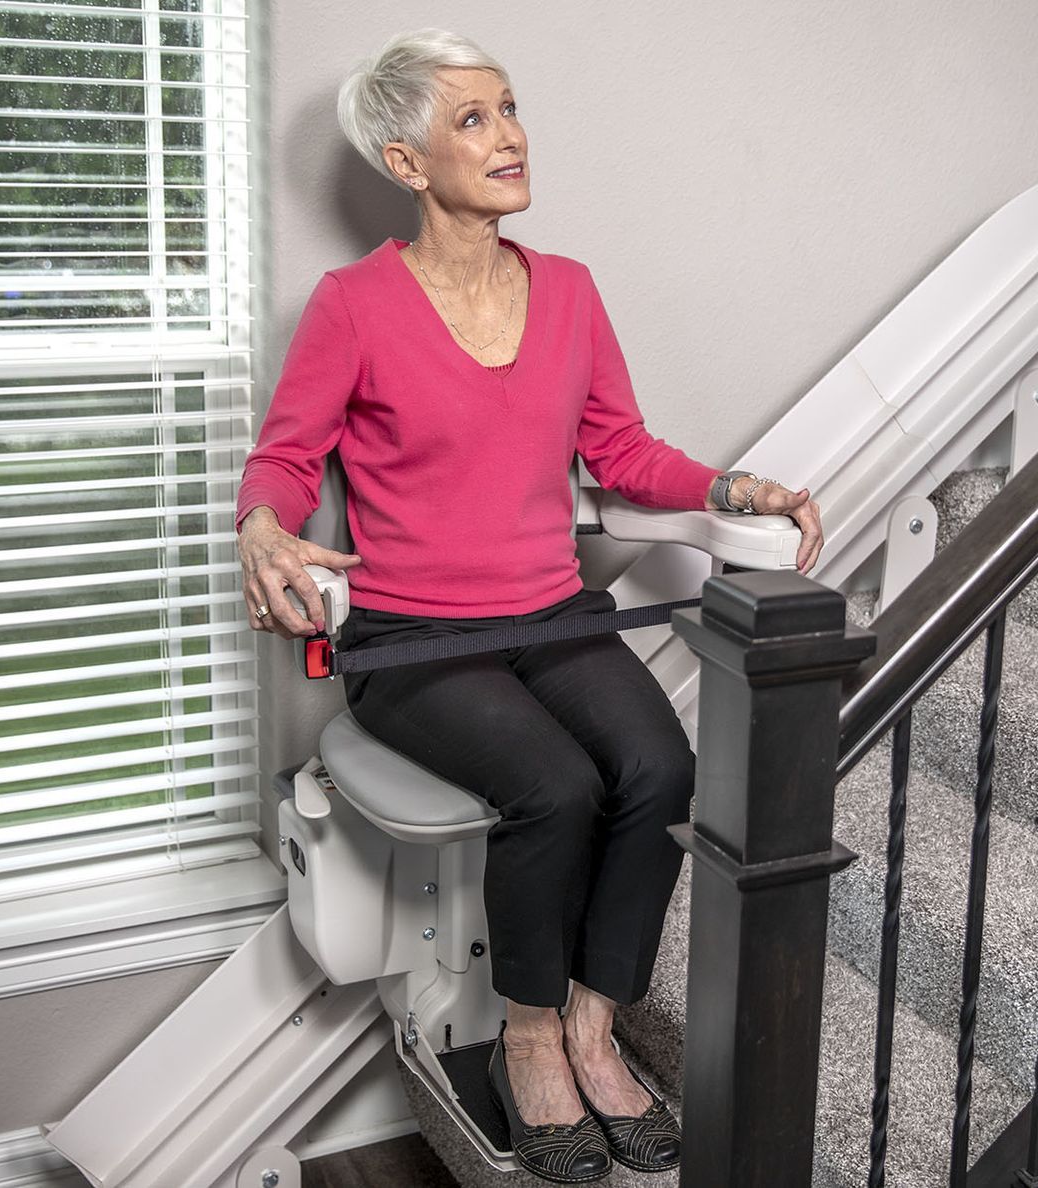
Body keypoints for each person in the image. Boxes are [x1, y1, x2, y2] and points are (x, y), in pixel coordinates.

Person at [233, 28, 826, 1183]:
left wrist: (728, 486)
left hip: (550, 612)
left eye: (510, 110)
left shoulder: (569, 292)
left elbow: (620, 448)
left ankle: (596, 1025)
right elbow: (286, 458)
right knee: (552, 789)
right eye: (473, 120)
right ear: (406, 165)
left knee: (659, 767)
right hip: (410, 640)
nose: (509, 137)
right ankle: (527, 1035)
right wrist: (262, 526)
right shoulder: (354, 304)